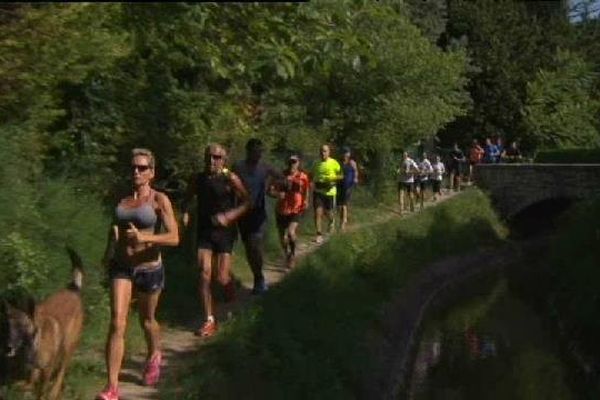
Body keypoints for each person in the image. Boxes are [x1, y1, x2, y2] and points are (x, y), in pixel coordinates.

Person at [97, 148, 179, 400]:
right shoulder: (122, 199)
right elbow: (116, 230)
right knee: (117, 322)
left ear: (151, 173)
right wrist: (107, 253)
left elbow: (174, 237)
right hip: (122, 266)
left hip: (149, 268)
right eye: (133, 167)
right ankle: (112, 387)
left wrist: (145, 237)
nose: (136, 171)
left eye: (142, 168)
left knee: (147, 320)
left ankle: (154, 354)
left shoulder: (159, 200)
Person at [182, 144, 250, 338]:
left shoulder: (230, 179)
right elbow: (187, 198)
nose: (212, 161)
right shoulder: (198, 179)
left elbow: (247, 201)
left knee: (221, 278)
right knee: (204, 274)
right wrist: (186, 212)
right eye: (209, 157)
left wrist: (230, 215)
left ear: (223, 160)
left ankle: (229, 284)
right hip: (204, 230)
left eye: (217, 157)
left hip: (225, 232)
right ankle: (209, 320)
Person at [232, 138, 282, 294]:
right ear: (248, 151)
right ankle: (257, 275)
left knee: (255, 244)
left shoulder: (265, 168)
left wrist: (273, 187)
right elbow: (229, 184)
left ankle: (259, 279)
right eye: (254, 151)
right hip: (242, 213)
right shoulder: (238, 167)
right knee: (249, 248)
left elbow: (281, 178)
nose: (257, 154)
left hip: (258, 214)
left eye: (260, 151)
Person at [270, 154, 310, 269]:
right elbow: (270, 190)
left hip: (296, 209)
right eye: (290, 162)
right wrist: (277, 194)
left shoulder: (303, 176)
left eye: (294, 162)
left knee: (291, 233)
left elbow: (306, 190)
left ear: (298, 163)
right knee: (282, 237)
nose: (292, 164)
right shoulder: (280, 176)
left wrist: (306, 201)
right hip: (281, 209)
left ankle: (292, 255)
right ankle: (288, 254)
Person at [312, 144, 342, 244]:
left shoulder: (334, 163)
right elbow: (311, 175)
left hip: (330, 192)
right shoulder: (316, 163)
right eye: (321, 151)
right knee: (317, 212)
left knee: (328, 213)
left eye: (325, 151)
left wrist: (332, 180)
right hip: (318, 191)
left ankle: (331, 221)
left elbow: (341, 175)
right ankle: (319, 234)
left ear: (329, 152)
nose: (322, 153)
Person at [337, 146, 359, 231]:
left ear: (349, 154)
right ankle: (343, 219)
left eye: (346, 152)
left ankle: (343, 223)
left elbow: (356, 171)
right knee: (339, 205)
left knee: (344, 204)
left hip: (348, 185)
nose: (345, 154)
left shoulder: (351, 162)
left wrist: (355, 178)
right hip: (340, 184)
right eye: (344, 152)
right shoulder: (340, 162)